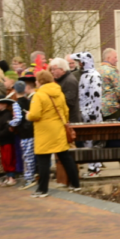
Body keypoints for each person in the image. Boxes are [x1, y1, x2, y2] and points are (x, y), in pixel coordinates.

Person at [26, 69, 80, 197]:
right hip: (58, 129)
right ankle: (76, 184)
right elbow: (65, 111)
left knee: (43, 160)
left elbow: (35, 114)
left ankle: (42, 189)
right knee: (65, 157)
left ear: (40, 81)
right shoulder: (59, 93)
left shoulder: (38, 95)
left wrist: (28, 115)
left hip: (44, 131)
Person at [99, 48, 120, 121]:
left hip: (100, 108)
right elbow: (118, 89)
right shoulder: (112, 71)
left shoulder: (97, 70)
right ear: (108, 58)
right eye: (115, 57)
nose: (117, 60)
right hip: (112, 108)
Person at [49, 58, 81, 125]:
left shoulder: (69, 81)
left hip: (71, 120)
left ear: (62, 69)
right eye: (51, 69)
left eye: (54, 69)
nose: (52, 71)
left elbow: (69, 102)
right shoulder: (62, 80)